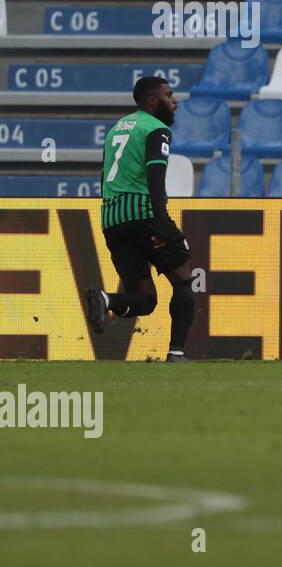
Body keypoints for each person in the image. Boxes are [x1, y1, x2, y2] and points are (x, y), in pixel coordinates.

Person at [84, 76, 194, 362]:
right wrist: (161, 223)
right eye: (170, 95)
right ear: (152, 101)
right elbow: (156, 179)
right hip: (143, 213)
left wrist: (114, 215)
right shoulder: (155, 130)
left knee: (145, 299)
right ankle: (177, 353)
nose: (175, 101)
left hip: (112, 219)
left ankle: (106, 300)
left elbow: (103, 177)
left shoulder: (116, 129)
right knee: (182, 277)